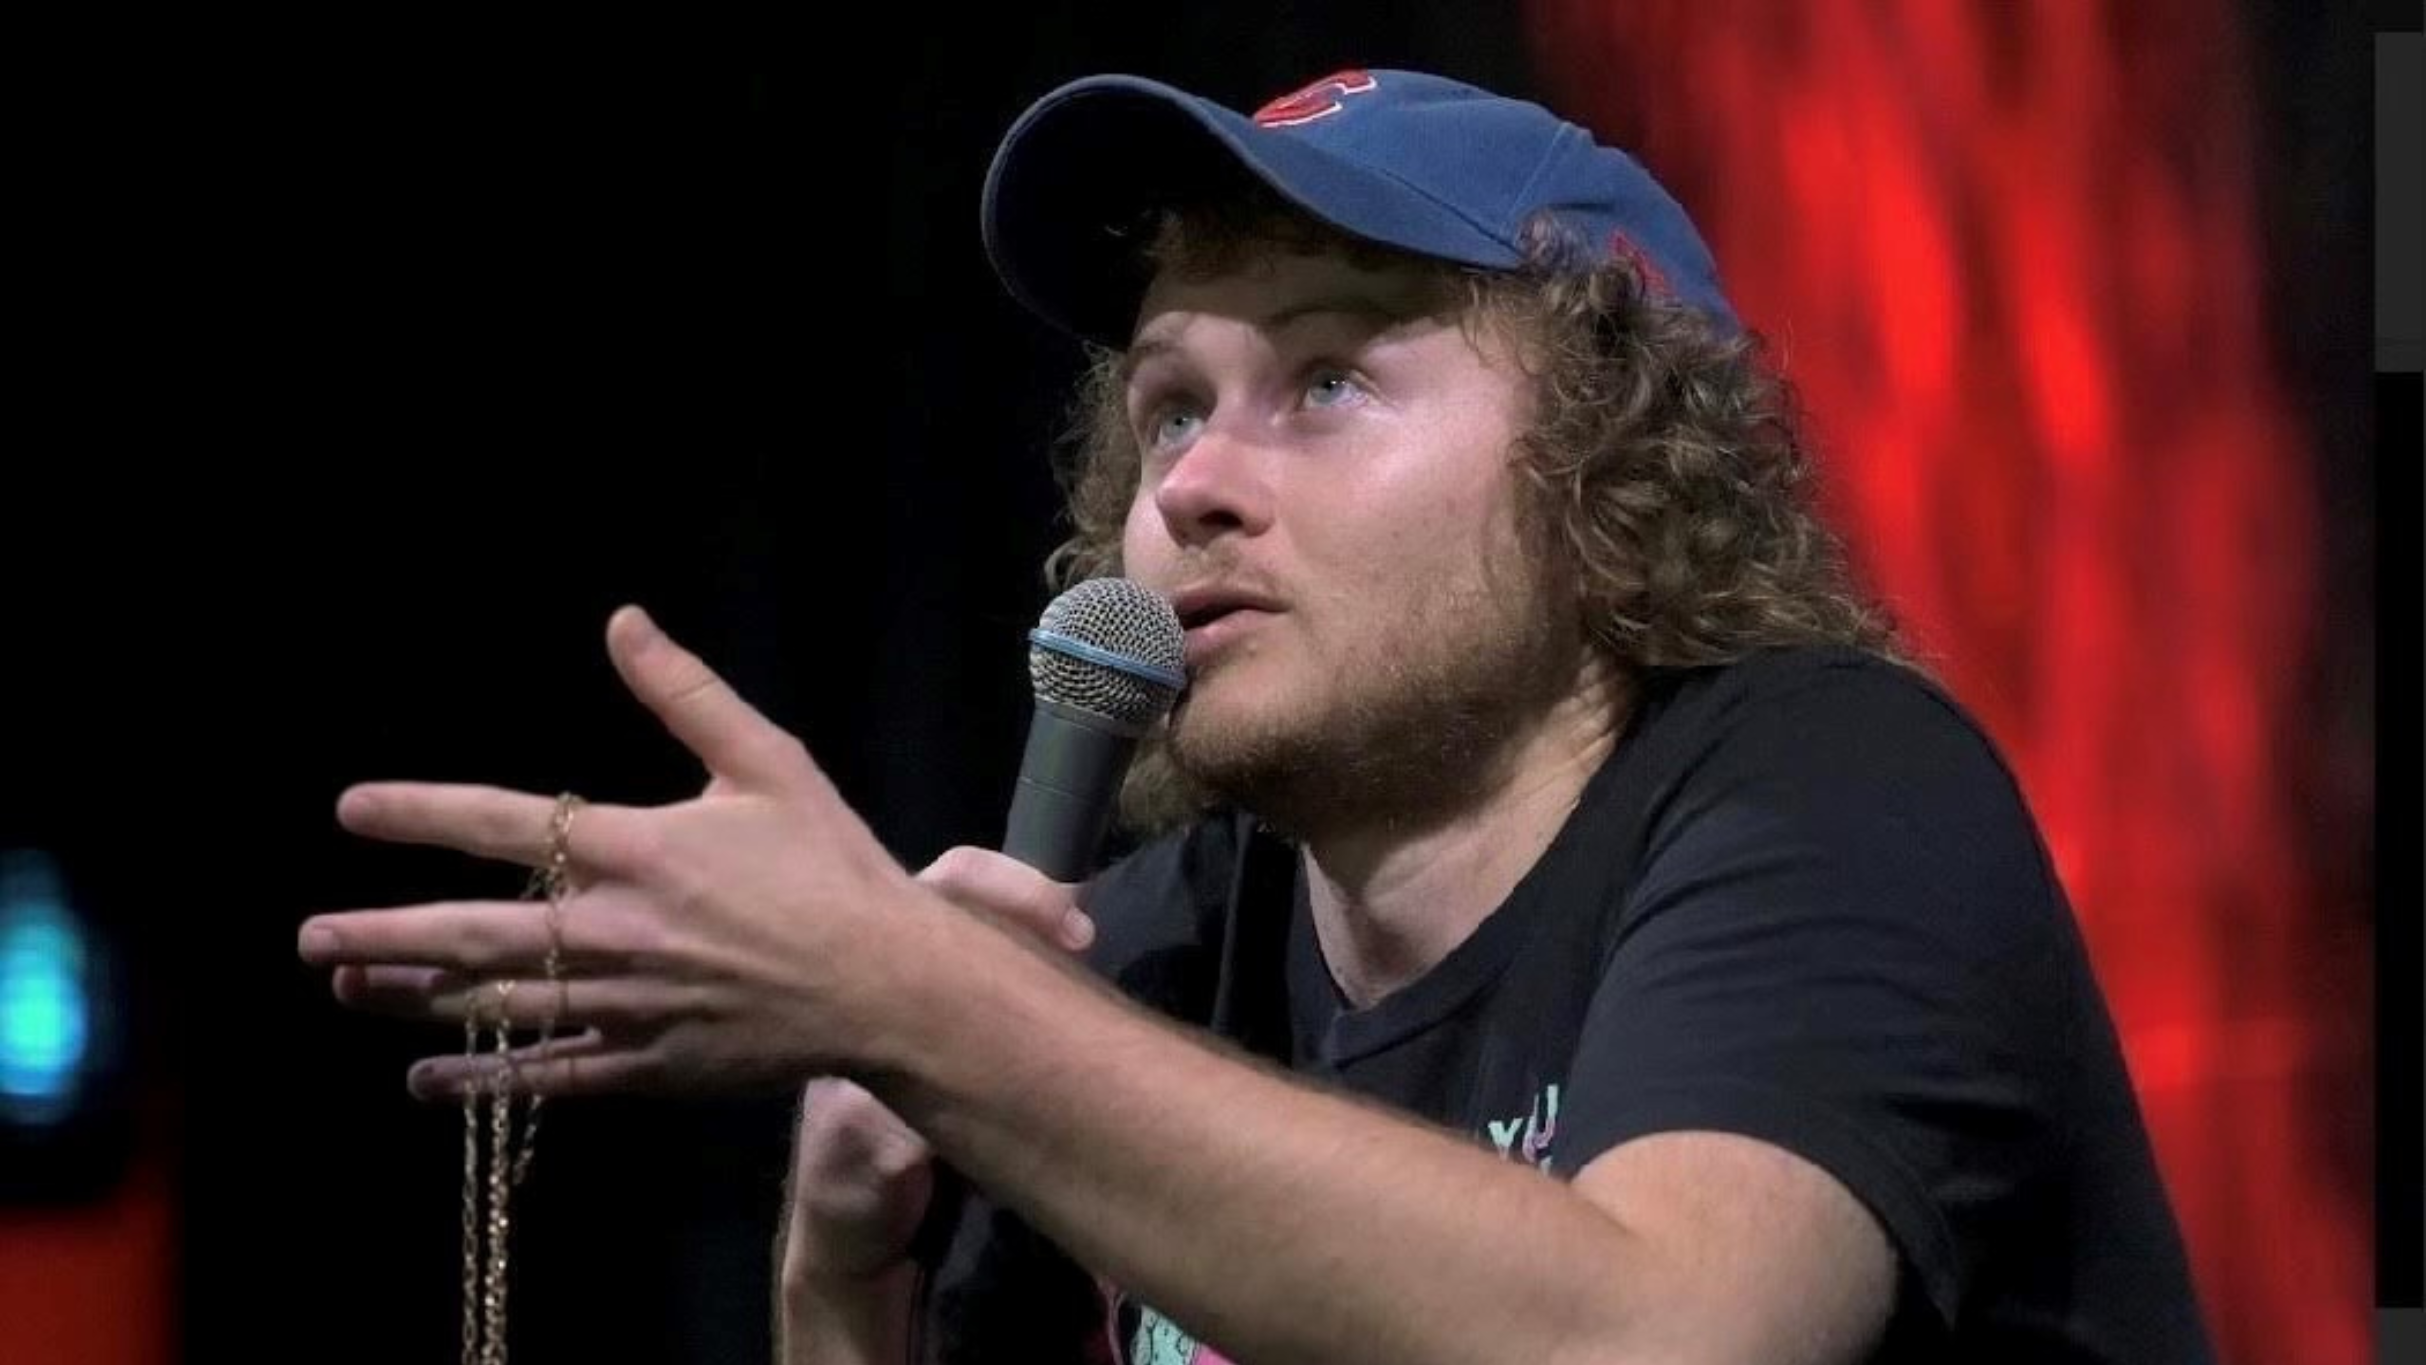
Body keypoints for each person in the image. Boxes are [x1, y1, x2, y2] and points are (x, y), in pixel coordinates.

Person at [300, 67, 2218, 1364]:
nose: (1194, 488)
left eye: (1325, 382)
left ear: (1615, 464)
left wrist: (919, 1001)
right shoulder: (1148, 951)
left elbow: (1656, 1335)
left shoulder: (1829, 789)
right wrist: (840, 1277)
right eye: (1167, 408)